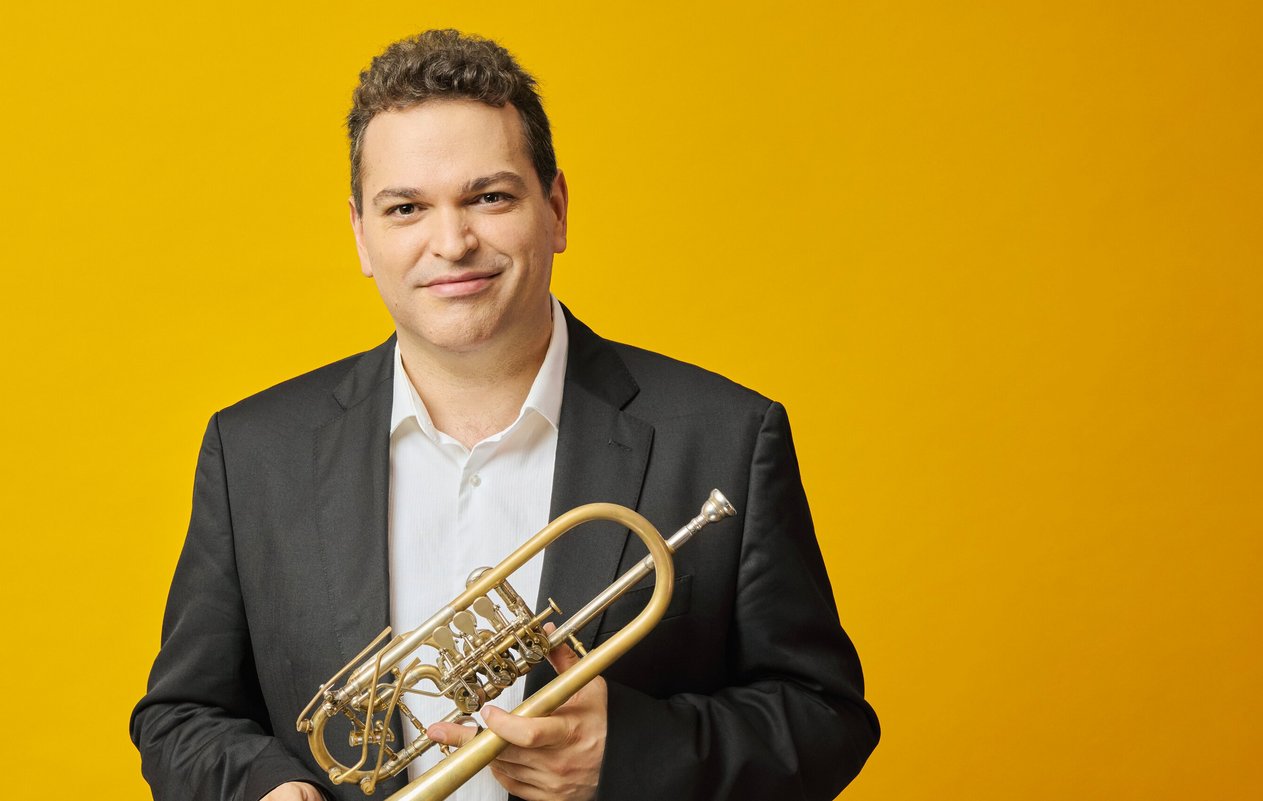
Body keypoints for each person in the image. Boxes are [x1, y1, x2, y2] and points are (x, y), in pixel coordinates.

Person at [130, 29, 879, 801]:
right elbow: (181, 716)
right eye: (406, 208)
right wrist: (261, 789)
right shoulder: (254, 452)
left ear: (555, 209)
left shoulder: (725, 437)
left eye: (489, 197)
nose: (452, 242)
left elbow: (826, 716)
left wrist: (629, 755)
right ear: (361, 235)